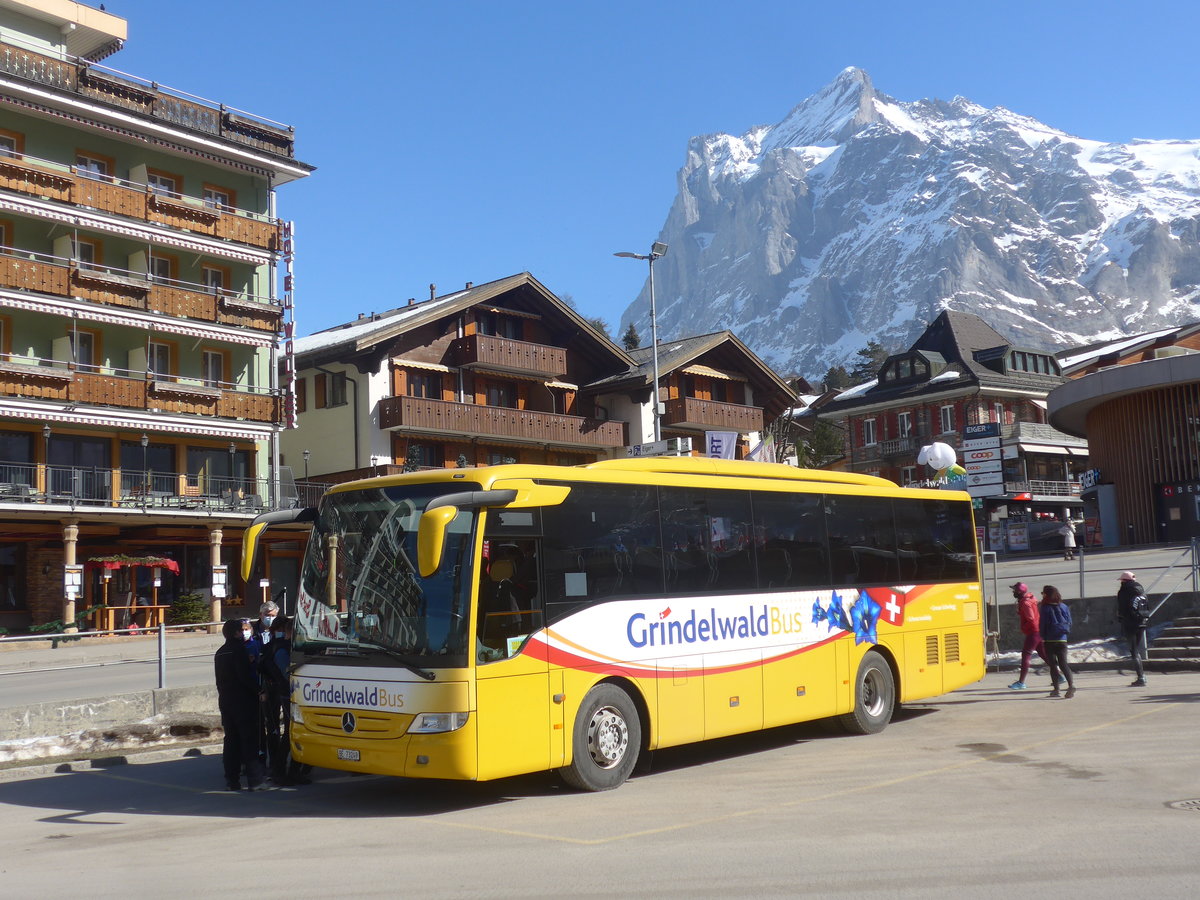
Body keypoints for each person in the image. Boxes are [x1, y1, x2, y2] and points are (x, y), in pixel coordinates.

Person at [214, 618, 268, 791]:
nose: (244, 632)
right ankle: (256, 780)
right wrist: (259, 690)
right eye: (241, 630)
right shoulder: (239, 650)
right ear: (237, 633)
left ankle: (232, 780)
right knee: (249, 740)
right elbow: (244, 676)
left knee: (231, 740)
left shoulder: (220, 652)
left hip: (225, 700)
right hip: (243, 701)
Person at [1008, 582, 1050, 690]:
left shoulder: (1025, 603)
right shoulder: (1028, 600)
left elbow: (1030, 618)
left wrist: (1025, 626)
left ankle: (1021, 682)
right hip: (1037, 630)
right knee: (1043, 654)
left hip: (1033, 632)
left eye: (1014, 590)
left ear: (1019, 592)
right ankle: (1059, 676)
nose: (1013, 592)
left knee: (1026, 655)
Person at [1039, 585, 1075, 698]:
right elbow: (1069, 622)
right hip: (1062, 639)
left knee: (1053, 665)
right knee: (1063, 664)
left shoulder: (1045, 608)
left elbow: (1043, 624)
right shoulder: (1064, 606)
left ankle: (1056, 690)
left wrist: (1043, 636)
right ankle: (1071, 685)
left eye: (1043, 593)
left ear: (1046, 595)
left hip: (1050, 640)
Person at [1116, 571, 1148, 687]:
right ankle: (1142, 676)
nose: (1121, 582)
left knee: (1134, 651)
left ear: (1125, 581)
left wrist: (1121, 619)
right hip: (1142, 621)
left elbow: (1122, 608)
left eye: (1122, 580)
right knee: (1136, 649)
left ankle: (1141, 677)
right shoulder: (1140, 589)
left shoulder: (1124, 591)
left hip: (1130, 623)